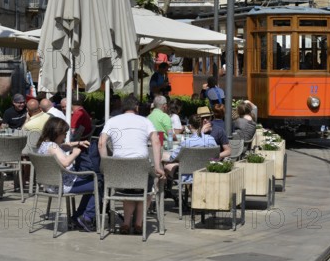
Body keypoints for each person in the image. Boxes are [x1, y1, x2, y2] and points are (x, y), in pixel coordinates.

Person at [98, 95, 165, 235]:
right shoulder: (144, 121)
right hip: (140, 167)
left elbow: (101, 143)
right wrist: (158, 166)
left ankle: (126, 223)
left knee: (127, 188)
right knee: (147, 188)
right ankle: (139, 223)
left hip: (119, 170)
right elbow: (156, 142)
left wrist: (106, 164)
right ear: (137, 108)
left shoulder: (112, 120)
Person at [36, 117, 96, 232]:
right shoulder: (53, 147)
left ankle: (78, 216)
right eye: (64, 133)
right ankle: (85, 217)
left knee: (92, 182)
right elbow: (65, 162)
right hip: (63, 185)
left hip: (51, 184)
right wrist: (75, 153)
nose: (65, 136)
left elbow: (64, 146)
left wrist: (78, 143)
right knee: (98, 183)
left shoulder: (45, 144)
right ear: (56, 133)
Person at [163, 114, 218, 179]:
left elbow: (172, 158)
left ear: (190, 126)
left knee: (164, 161)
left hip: (188, 175)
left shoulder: (187, 143)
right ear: (201, 124)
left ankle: (160, 188)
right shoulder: (211, 139)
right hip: (207, 173)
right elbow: (216, 156)